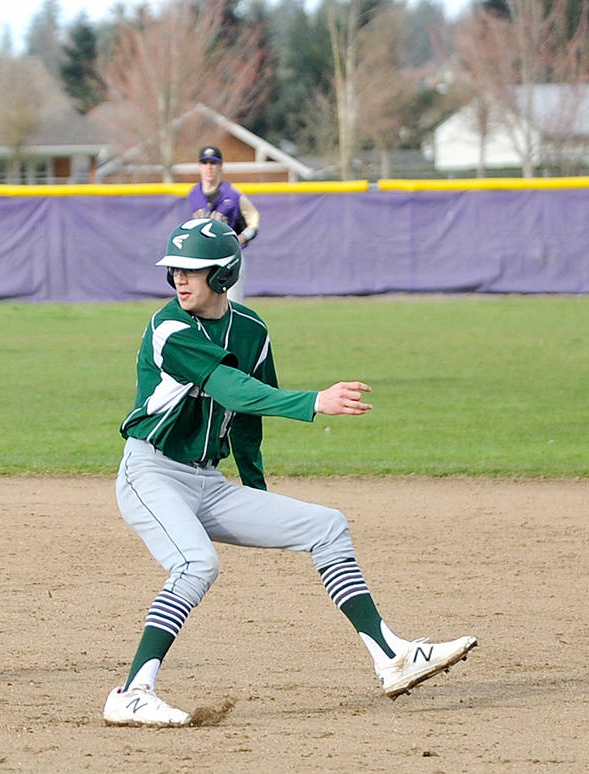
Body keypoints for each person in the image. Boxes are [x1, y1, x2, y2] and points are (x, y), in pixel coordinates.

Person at [102, 219, 476, 727]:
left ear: (225, 272)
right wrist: (315, 402)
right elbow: (231, 389)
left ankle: (392, 655)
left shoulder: (253, 330)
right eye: (174, 269)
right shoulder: (169, 329)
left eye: (192, 269)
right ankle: (131, 692)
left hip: (207, 480)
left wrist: (257, 495)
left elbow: (246, 420)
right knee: (196, 564)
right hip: (153, 472)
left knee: (327, 526)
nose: (179, 279)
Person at [186, 145, 260, 303]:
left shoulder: (233, 195)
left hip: (229, 258)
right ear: (199, 167)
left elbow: (253, 220)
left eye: (213, 163)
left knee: (232, 306)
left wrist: (243, 237)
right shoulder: (193, 194)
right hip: (203, 259)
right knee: (202, 307)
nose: (209, 167)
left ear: (220, 166)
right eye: (205, 163)